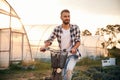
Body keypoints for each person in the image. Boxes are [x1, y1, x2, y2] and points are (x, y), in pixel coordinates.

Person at [40, 9, 81, 80]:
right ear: (61, 17)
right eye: (65, 16)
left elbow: (78, 41)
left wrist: (74, 48)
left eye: (68, 16)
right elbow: (50, 39)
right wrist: (44, 46)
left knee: (69, 70)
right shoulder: (57, 29)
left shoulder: (75, 28)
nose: (67, 18)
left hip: (72, 54)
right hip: (62, 55)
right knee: (61, 74)